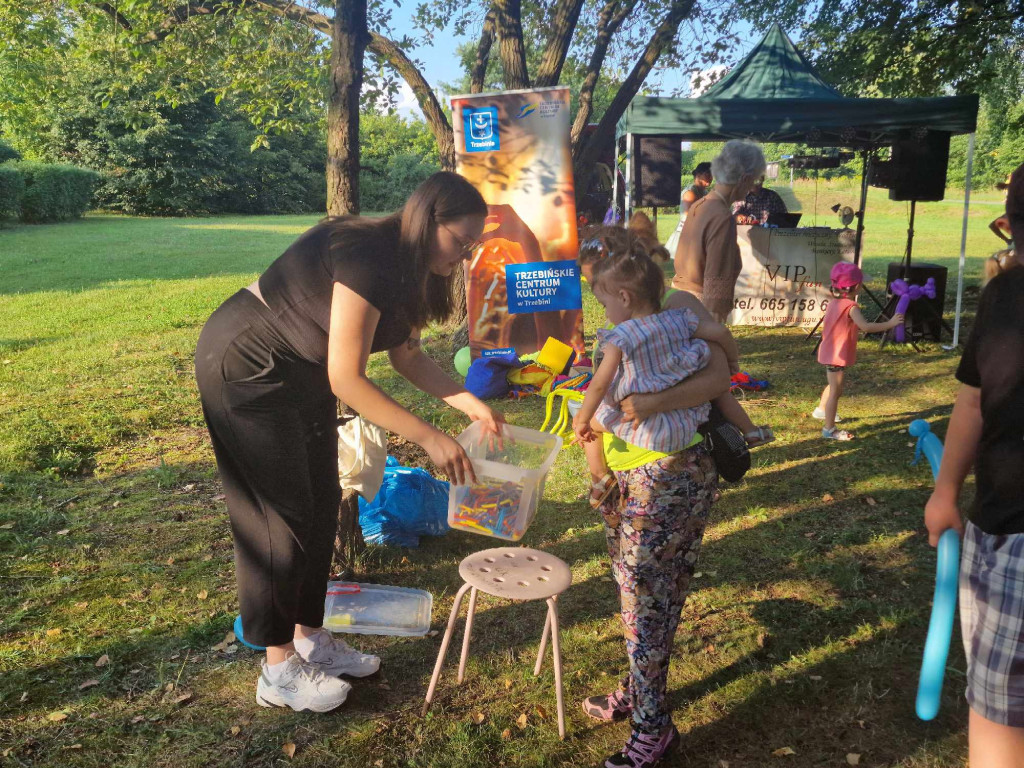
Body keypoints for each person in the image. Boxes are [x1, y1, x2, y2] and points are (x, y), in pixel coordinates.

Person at [194, 172, 504, 713]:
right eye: (461, 241)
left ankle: (312, 639)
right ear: (429, 219)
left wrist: (465, 402)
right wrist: (429, 436)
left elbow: (407, 356)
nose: (464, 254)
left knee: (318, 507)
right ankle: (278, 669)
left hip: (303, 375)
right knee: (278, 518)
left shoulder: (416, 270)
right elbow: (349, 379)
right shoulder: (367, 253)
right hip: (248, 367)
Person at [923, 160, 1024, 768]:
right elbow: (975, 396)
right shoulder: (1006, 294)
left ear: (1009, 225)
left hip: (1013, 533)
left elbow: (972, 398)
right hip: (1009, 523)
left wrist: (944, 492)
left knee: (1000, 709)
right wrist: (945, 491)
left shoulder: (1008, 292)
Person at [577, 228, 773, 506]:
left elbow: (718, 381)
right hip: (628, 462)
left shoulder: (676, 305)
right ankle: (600, 478)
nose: (596, 287)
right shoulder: (621, 317)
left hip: (666, 462)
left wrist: (652, 402)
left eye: (599, 278)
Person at [673, 140, 766, 322]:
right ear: (744, 178)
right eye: (753, 179)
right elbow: (717, 276)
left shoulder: (700, 204)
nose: (751, 187)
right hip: (700, 309)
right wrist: (715, 321)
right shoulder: (722, 216)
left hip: (680, 300)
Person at [814, 262, 902, 440]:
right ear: (858, 286)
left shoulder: (834, 303)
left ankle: (821, 410)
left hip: (830, 352)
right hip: (836, 355)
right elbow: (866, 327)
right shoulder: (851, 307)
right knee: (836, 392)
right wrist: (890, 324)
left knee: (833, 386)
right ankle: (829, 429)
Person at [665, 162, 713, 257]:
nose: (711, 177)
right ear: (698, 175)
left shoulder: (705, 192)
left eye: (712, 174)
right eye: (708, 174)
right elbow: (688, 216)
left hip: (699, 232)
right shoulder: (690, 193)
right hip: (688, 234)